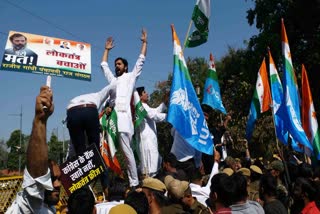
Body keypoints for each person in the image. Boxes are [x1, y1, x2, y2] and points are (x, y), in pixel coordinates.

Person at [100, 28, 147, 188]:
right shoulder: (113, 81)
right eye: (116, 65)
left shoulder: (130, 77)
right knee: (109, 151)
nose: (116, 66)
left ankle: (134, 183)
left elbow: (141, 60)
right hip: (113, 120)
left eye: (119, 64)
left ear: (125, 67)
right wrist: (106, 50)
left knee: (127, 153)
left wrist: (144, 43)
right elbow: (103, 65)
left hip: (125, 120)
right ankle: (112, 184)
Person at [6, 86, 61, 213]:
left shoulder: (49, 209)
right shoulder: (30, 206)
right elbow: (36, 181)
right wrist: (40, 120)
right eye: (51, 179)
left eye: (59, 179)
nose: (57, 185)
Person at [66, 84, 114, 155]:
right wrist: (112, 106)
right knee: (94, 148)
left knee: (79, 151)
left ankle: (81, 160)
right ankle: (95, 161)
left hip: (72, 111)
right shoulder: (98, 95)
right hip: (90, 110)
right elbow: (112, 86)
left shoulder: (94, 96)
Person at [135, 86, 167, 177]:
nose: (147, 94)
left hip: (151, 142)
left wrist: (164, 102)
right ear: (140, 97)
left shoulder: (145, 107)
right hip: (147, 143)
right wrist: (170, 117)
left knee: (154, 166)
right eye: (145, 92)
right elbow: (154, 116)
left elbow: (156, 111)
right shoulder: (141, 108)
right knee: (150, 170)